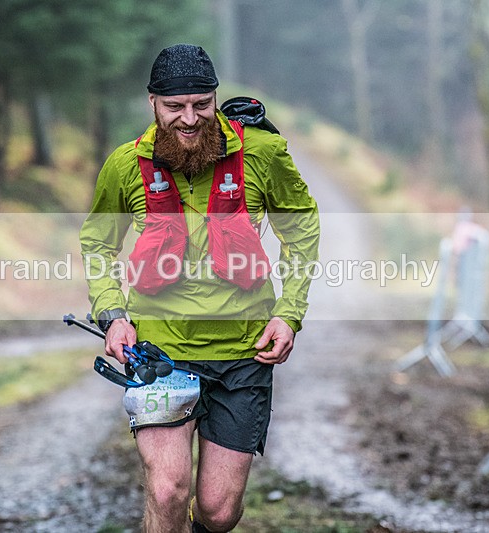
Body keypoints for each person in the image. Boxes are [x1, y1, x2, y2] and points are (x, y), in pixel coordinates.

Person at [79, 43, 319, 533]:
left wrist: (289, 313)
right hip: (158, 353)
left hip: (243, 355)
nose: (189, 119)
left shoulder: (263, 155)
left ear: (214, 98)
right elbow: (97, 243)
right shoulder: (125, 165)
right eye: (175, 107)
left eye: (201, 105)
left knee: (218, 511)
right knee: (167, 490)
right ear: (152, 103)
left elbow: (302, 229)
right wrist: (113, 314)